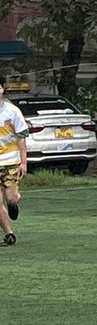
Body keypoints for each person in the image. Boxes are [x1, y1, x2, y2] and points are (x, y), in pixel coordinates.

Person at [0, 82, 29, 246]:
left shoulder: (12, 111)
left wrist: (23, 163)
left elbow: (21, 138)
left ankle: (15, 199)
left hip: (11, 161)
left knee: (10, 198)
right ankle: (9, 233)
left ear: (3, 89)